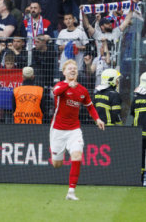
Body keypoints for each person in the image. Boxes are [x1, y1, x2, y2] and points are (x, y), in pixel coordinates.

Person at [50, 59, 105, 201]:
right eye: (70, 68)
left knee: (77, 156)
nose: (73, 70)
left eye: (75, 68)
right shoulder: (60, 86)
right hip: (58, 130)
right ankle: (57, 156)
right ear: (64, 72)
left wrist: (97, 119)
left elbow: (90, 106)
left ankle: (71, 192)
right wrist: (68, 85)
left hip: (74, 129)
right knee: (57, 164)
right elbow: (56, 92)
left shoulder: (82, 90)